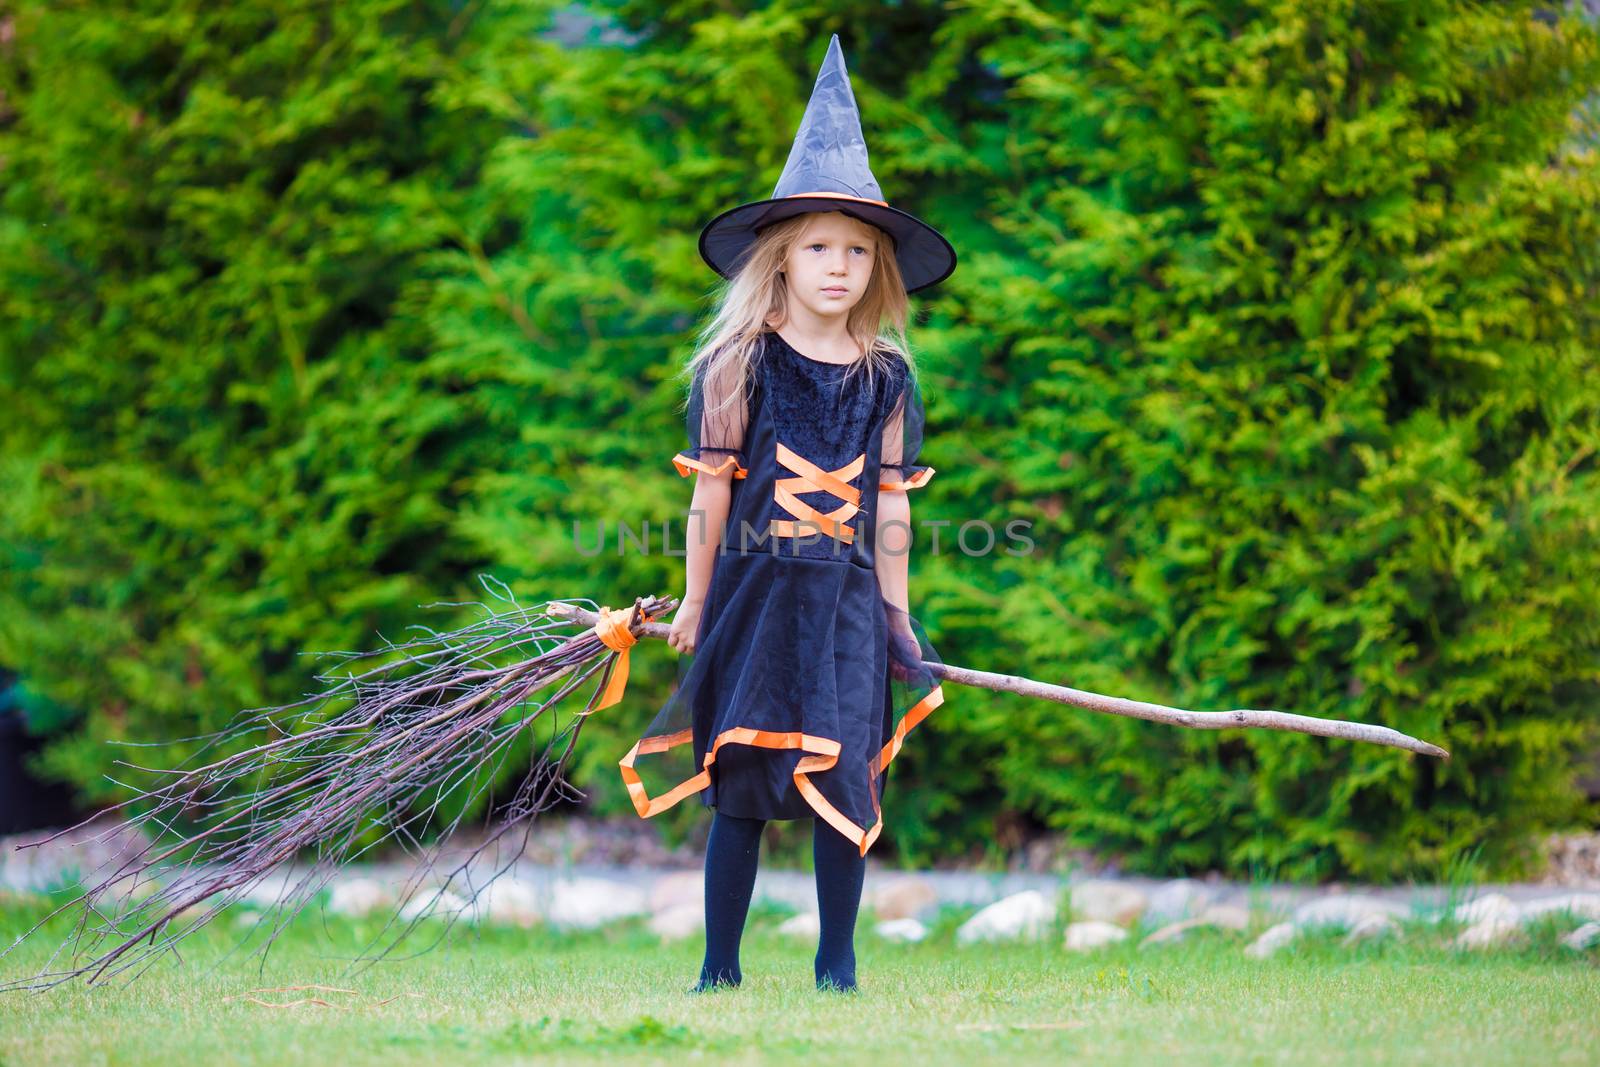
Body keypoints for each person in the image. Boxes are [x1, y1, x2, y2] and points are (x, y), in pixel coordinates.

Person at [617, 34, 955, 995]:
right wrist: (691, 602)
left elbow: (890, 514)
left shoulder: (888, 377)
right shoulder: (737, 365)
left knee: (846, 780)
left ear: (878, 265)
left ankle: (837, 967)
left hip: (846, 608)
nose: (838, 266)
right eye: (817, 246)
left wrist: (896, 619)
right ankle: (718, 968)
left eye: (857, 249)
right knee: (743, 782)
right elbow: (710, 492)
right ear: (781, 257)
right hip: (751, 599)